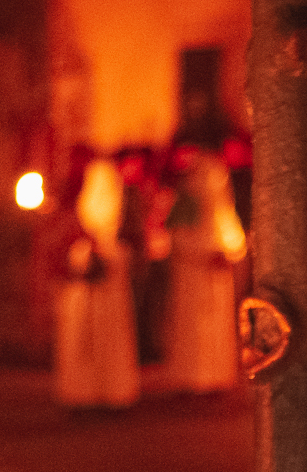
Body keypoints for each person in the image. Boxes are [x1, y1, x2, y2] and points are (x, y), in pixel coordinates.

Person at [51, 156, 140, 411]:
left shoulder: (114, 224)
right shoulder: (78, 225)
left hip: (105, 273)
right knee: (87, 335)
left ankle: (105, 391)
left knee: (100, 335)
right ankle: (86, 392)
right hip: (89, 277)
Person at [161, 150, 244, 395]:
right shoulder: (186, 202)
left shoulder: (221, 204)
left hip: (215, 274)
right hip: (192, 275)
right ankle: (192, 379)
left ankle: (216, 378)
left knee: (216, 325)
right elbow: (179, 240)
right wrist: (204, 256)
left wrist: (229, 253)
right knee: (192, 327)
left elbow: (230, 232)